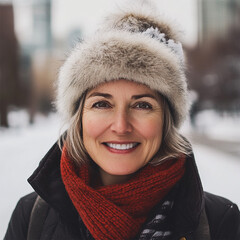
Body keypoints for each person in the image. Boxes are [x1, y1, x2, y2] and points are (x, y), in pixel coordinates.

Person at [4, 1, 240, 240]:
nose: (120, 126)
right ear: (80, 117)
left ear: (166, 120)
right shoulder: (31, 217)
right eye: (102, 104)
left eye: (142, 105)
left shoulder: (220, 222)